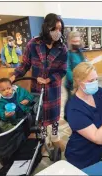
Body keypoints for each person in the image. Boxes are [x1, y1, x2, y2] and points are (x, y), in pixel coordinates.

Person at [10, 13, 67, 151]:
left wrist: (49, 79)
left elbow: (63, 71)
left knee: (54, 116)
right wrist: (14, 76)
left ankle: (54, 136)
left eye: (60, 29)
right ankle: (42, 139)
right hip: (36, 87)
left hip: (53, 88)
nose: (57, 32)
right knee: (39, 113)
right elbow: (24, 65)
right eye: (55, 29)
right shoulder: (33, 44)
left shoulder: (62, 48)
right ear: (47, 28)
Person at [64, 31, 87, 100]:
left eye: (78, 41)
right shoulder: (68, 54)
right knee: (71, 102)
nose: (76, 43)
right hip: (72, 85)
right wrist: (76, 80)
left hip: (81, 83)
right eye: (74, 41)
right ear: (70, 42)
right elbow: (67, 70)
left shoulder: (80, 52)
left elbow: (84, 64)